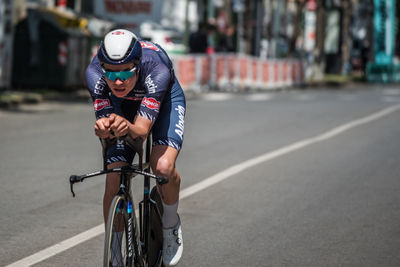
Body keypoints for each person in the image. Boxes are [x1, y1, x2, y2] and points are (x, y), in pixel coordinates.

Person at [85, 29, 185, 266]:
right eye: (111, 72)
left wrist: (124, 126)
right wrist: (104, 127)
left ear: (138, 65)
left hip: (162, 101)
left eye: (125, 72)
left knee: (162, 167)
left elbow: (140, 132)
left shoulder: (157, 69)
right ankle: (114, 252)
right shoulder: (94, 74)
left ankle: (170, 227)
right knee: (115, 174)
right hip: (122, 106)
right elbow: (108, 122)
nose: (118, 80)